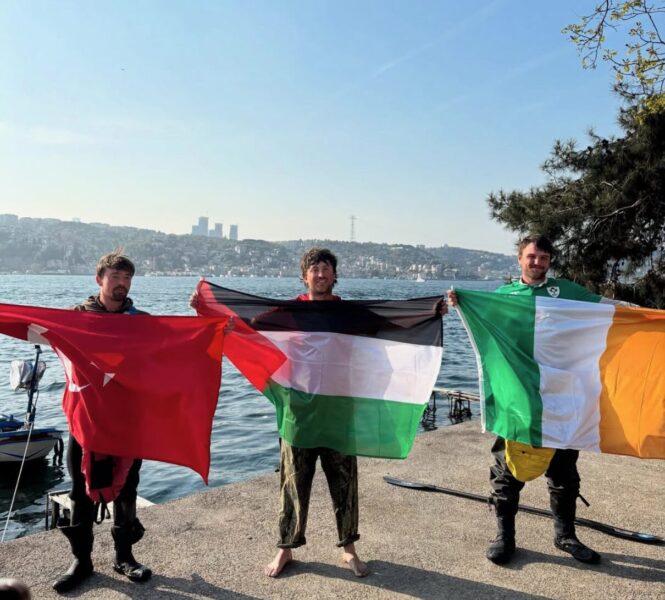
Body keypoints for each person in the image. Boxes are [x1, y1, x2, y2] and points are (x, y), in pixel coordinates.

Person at [449, 234, 605, 566]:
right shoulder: (503, 296)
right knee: (507, 470)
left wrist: (647, 316)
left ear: (550, 261)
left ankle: (565, 535)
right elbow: (483, 326)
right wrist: (460, 302)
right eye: (531, 256)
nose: (537, 262)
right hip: (518, 400)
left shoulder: (566, 291)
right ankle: (504, 537)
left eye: (544, 257)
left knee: (564, 472)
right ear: (520, 259)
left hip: (559, 397)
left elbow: (606, 310)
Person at [263, 247, 370, 578]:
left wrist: (431, 311)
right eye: (314, 269)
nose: (320, 275)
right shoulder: (289, 313)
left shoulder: (348, 314)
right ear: (304, 276)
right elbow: (248, 328)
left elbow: (394, 326)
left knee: (345, 483)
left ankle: (349, 549)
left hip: (339, 412)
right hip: (299, 413)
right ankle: (286, 548)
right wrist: (210, 311)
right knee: (293, 483)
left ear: (334, 275)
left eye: (326, 269)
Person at [52, 251, 152, 594]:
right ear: (99, 279)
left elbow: (173, 349)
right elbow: (44, 334)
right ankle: (81, 561)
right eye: (115, 277)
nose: (122, 284)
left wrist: (211, 325)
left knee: (127, 490)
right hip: (86, 422)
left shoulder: (141, 322)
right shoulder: (76, 318)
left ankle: (124, 557)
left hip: (127, 422)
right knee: (81, 492)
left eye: (127, 278)